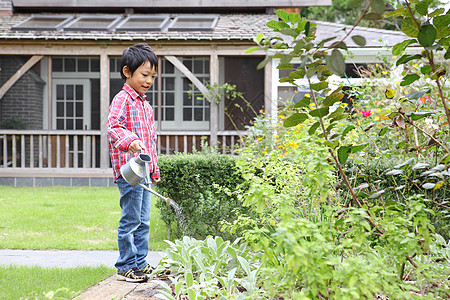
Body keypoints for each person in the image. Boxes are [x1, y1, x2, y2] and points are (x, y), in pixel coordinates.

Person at [107, 43, 160, 283]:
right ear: (127, 72)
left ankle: (140, 261)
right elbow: (113, 126)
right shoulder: (123, 99)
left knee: (144, 220)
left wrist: (154, 170)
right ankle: (125, 266)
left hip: (144, 172)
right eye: (144, 75)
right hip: (129, 172)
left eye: (152, 76)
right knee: (131, 219)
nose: (149, 80)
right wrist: (131, 140)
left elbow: (151, 142)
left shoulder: (145, 104)